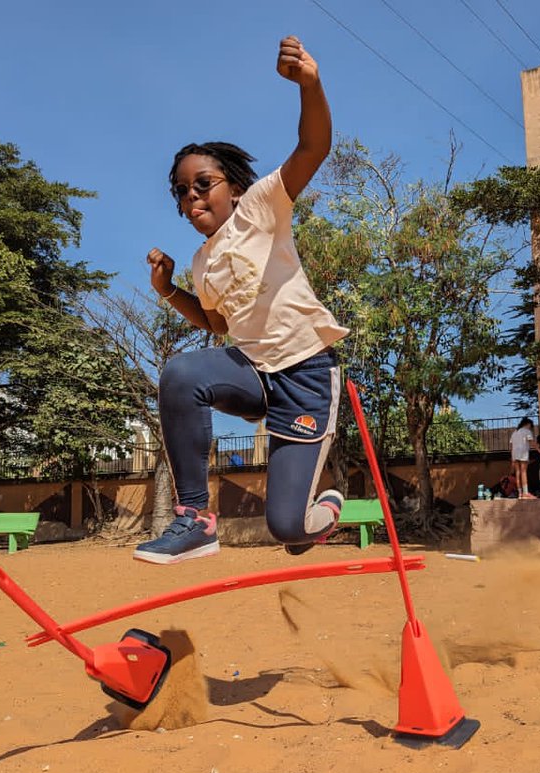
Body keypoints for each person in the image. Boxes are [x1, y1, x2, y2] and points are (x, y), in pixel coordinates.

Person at [135, 36, 347, 564]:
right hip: (253, 371)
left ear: (232, 186)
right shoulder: (203, 261)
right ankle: (193, 519)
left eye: (202, 184)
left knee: (288, 529)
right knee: (182, 374)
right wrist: (168, 290)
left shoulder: (261, 209)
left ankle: (323, 511)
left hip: (303, 373)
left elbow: (313, 147)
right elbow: (215, 324)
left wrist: (311, 86)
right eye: (181, 191)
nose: (192, 197)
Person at [509, 417, 540, 500]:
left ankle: (519, 493)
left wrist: (512, 458)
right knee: (523, 472)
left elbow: (511, 446)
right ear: (528, 424)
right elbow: (532, 443)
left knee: (518, 473)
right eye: (530, 426)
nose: (530, 427)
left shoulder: (514, 433)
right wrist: (539, 449)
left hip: (515, 455)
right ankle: (526, 493)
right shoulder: (527, 431)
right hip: (523, 453)